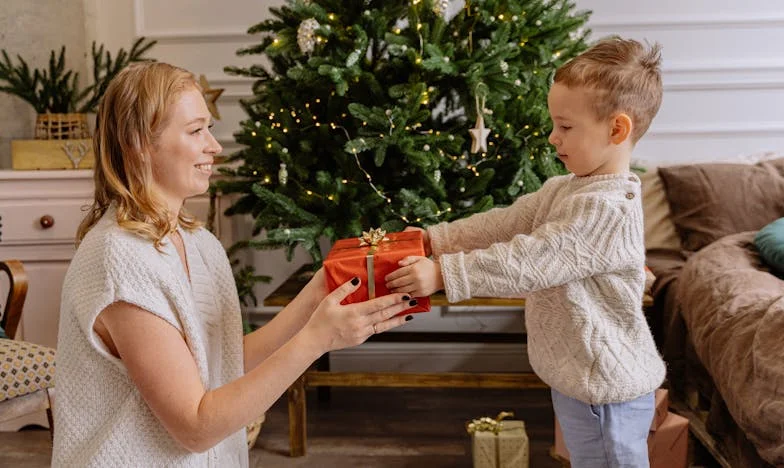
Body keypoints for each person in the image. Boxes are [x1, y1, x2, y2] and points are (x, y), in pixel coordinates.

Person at [52, 61, 417, 467]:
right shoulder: (119, 260)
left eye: (208, 127)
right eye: (195, 131)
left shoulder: (199, 243)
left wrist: (317, 293)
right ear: (138, 143)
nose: (215, 146)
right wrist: (318, 340)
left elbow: (224, 361)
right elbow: (196, 426)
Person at [385, 37, 667, 467]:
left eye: (567, 127)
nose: (553, 137)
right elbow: (502, 223)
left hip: (607, 389)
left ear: (616, 129)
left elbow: (532, 259)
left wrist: (445, 273)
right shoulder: (565, 189)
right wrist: (436, 239)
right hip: (578, 377)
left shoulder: (607, 209)